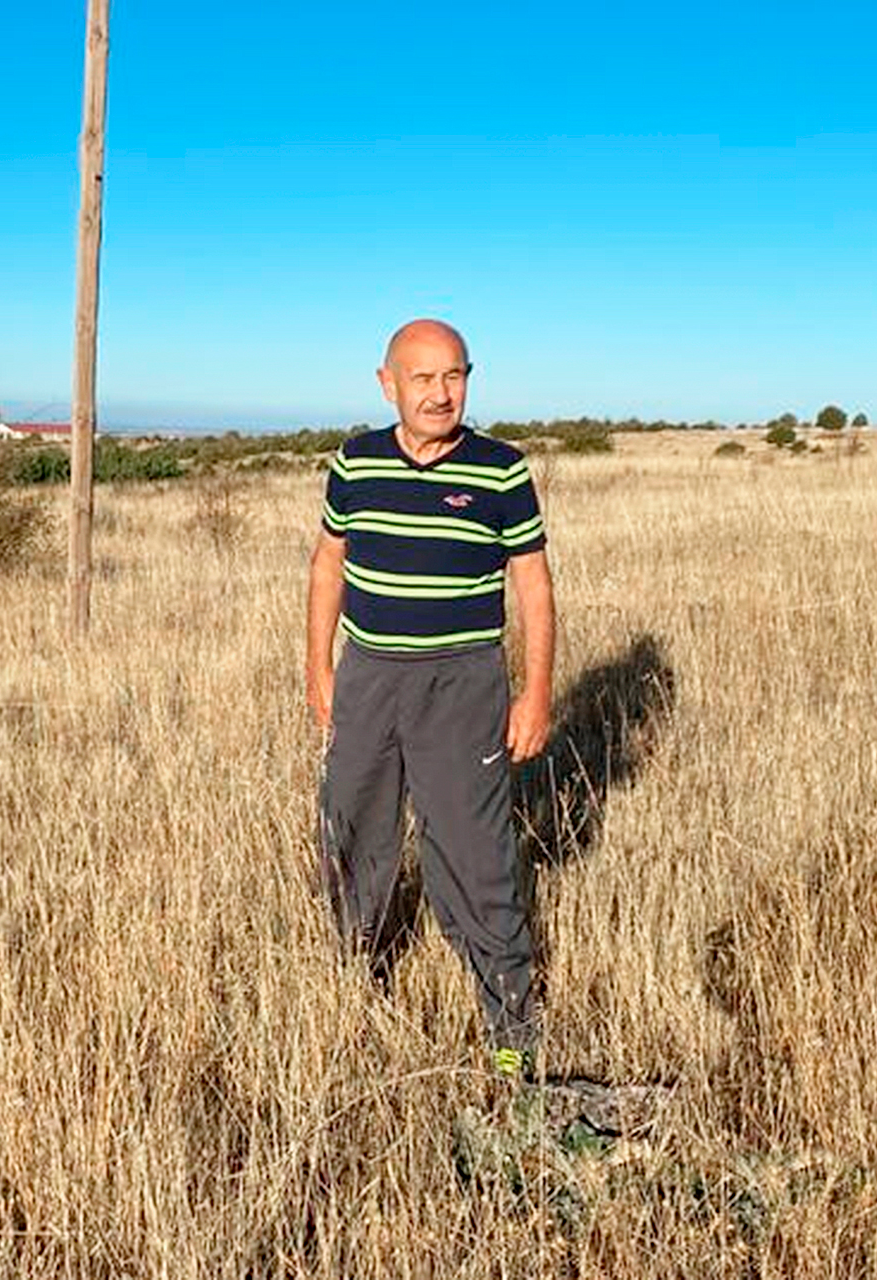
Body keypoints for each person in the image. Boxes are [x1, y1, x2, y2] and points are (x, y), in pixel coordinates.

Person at [304, 318, 555, 1079]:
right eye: (423, 378)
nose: (441, 394)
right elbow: (328, 565)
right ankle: (353, 990)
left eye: (454, 376)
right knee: (351, 830)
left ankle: (512, 1032)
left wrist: (536, 693)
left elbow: (533, 586)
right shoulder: (355, 463)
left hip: (463, 682)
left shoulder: (501, 471)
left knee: (476, 853)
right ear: (388, 385)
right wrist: (318, 666)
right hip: (369, 676)